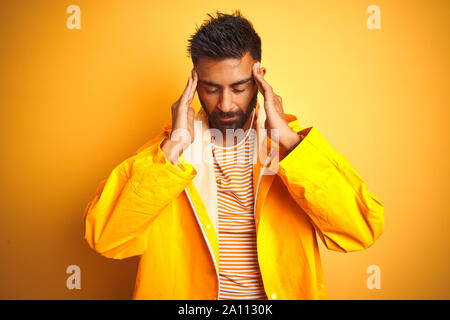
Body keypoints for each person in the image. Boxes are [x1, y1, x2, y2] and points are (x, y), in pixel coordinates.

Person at [83, 10, 384, 300]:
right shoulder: (166, 158)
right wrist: (174, 146)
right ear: (194, 82)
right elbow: (105, 236)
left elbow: (360, 229)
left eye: (238, 87)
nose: (225, 104)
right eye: (211, 88)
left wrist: (290, 142)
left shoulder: (292, 151)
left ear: (259, 77)